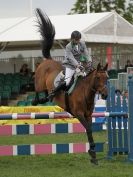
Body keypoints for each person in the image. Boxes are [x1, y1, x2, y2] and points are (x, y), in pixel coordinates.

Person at [48, 30, 92, 99]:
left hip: (79, 64)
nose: (78, 41)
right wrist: (78, 65)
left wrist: (89, 60)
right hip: (70, 65)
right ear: (72, 39)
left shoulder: (82, 43)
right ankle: (53, 92)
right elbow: (71, 58)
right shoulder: (68, 46)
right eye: (76, 39)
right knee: (67, 82)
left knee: (85, 77)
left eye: (79, 39)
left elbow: (86, 53)